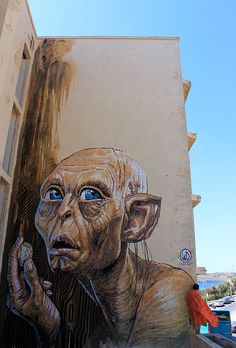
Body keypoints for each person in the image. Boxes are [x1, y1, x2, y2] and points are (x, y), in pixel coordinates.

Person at [8, 148, 195, 347]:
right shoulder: (97, 308)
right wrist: (48, 328)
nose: (62, 210)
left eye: (91, 195)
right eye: (54, 193)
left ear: (136, 220)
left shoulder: (169, 292)